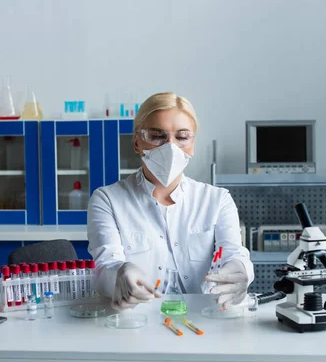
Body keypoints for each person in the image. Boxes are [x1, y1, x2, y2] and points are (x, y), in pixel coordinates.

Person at [87, 92, 254, 311]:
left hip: (203, 319)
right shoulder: (108, 200)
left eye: (182, 137)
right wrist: (120, 273)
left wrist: (239, 269)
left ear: (192, 144)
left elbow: (233, 252)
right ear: (137, 142)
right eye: (157, 136)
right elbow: (105, 265)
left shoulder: (216, 200)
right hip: (139, 321)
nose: (171, 147)